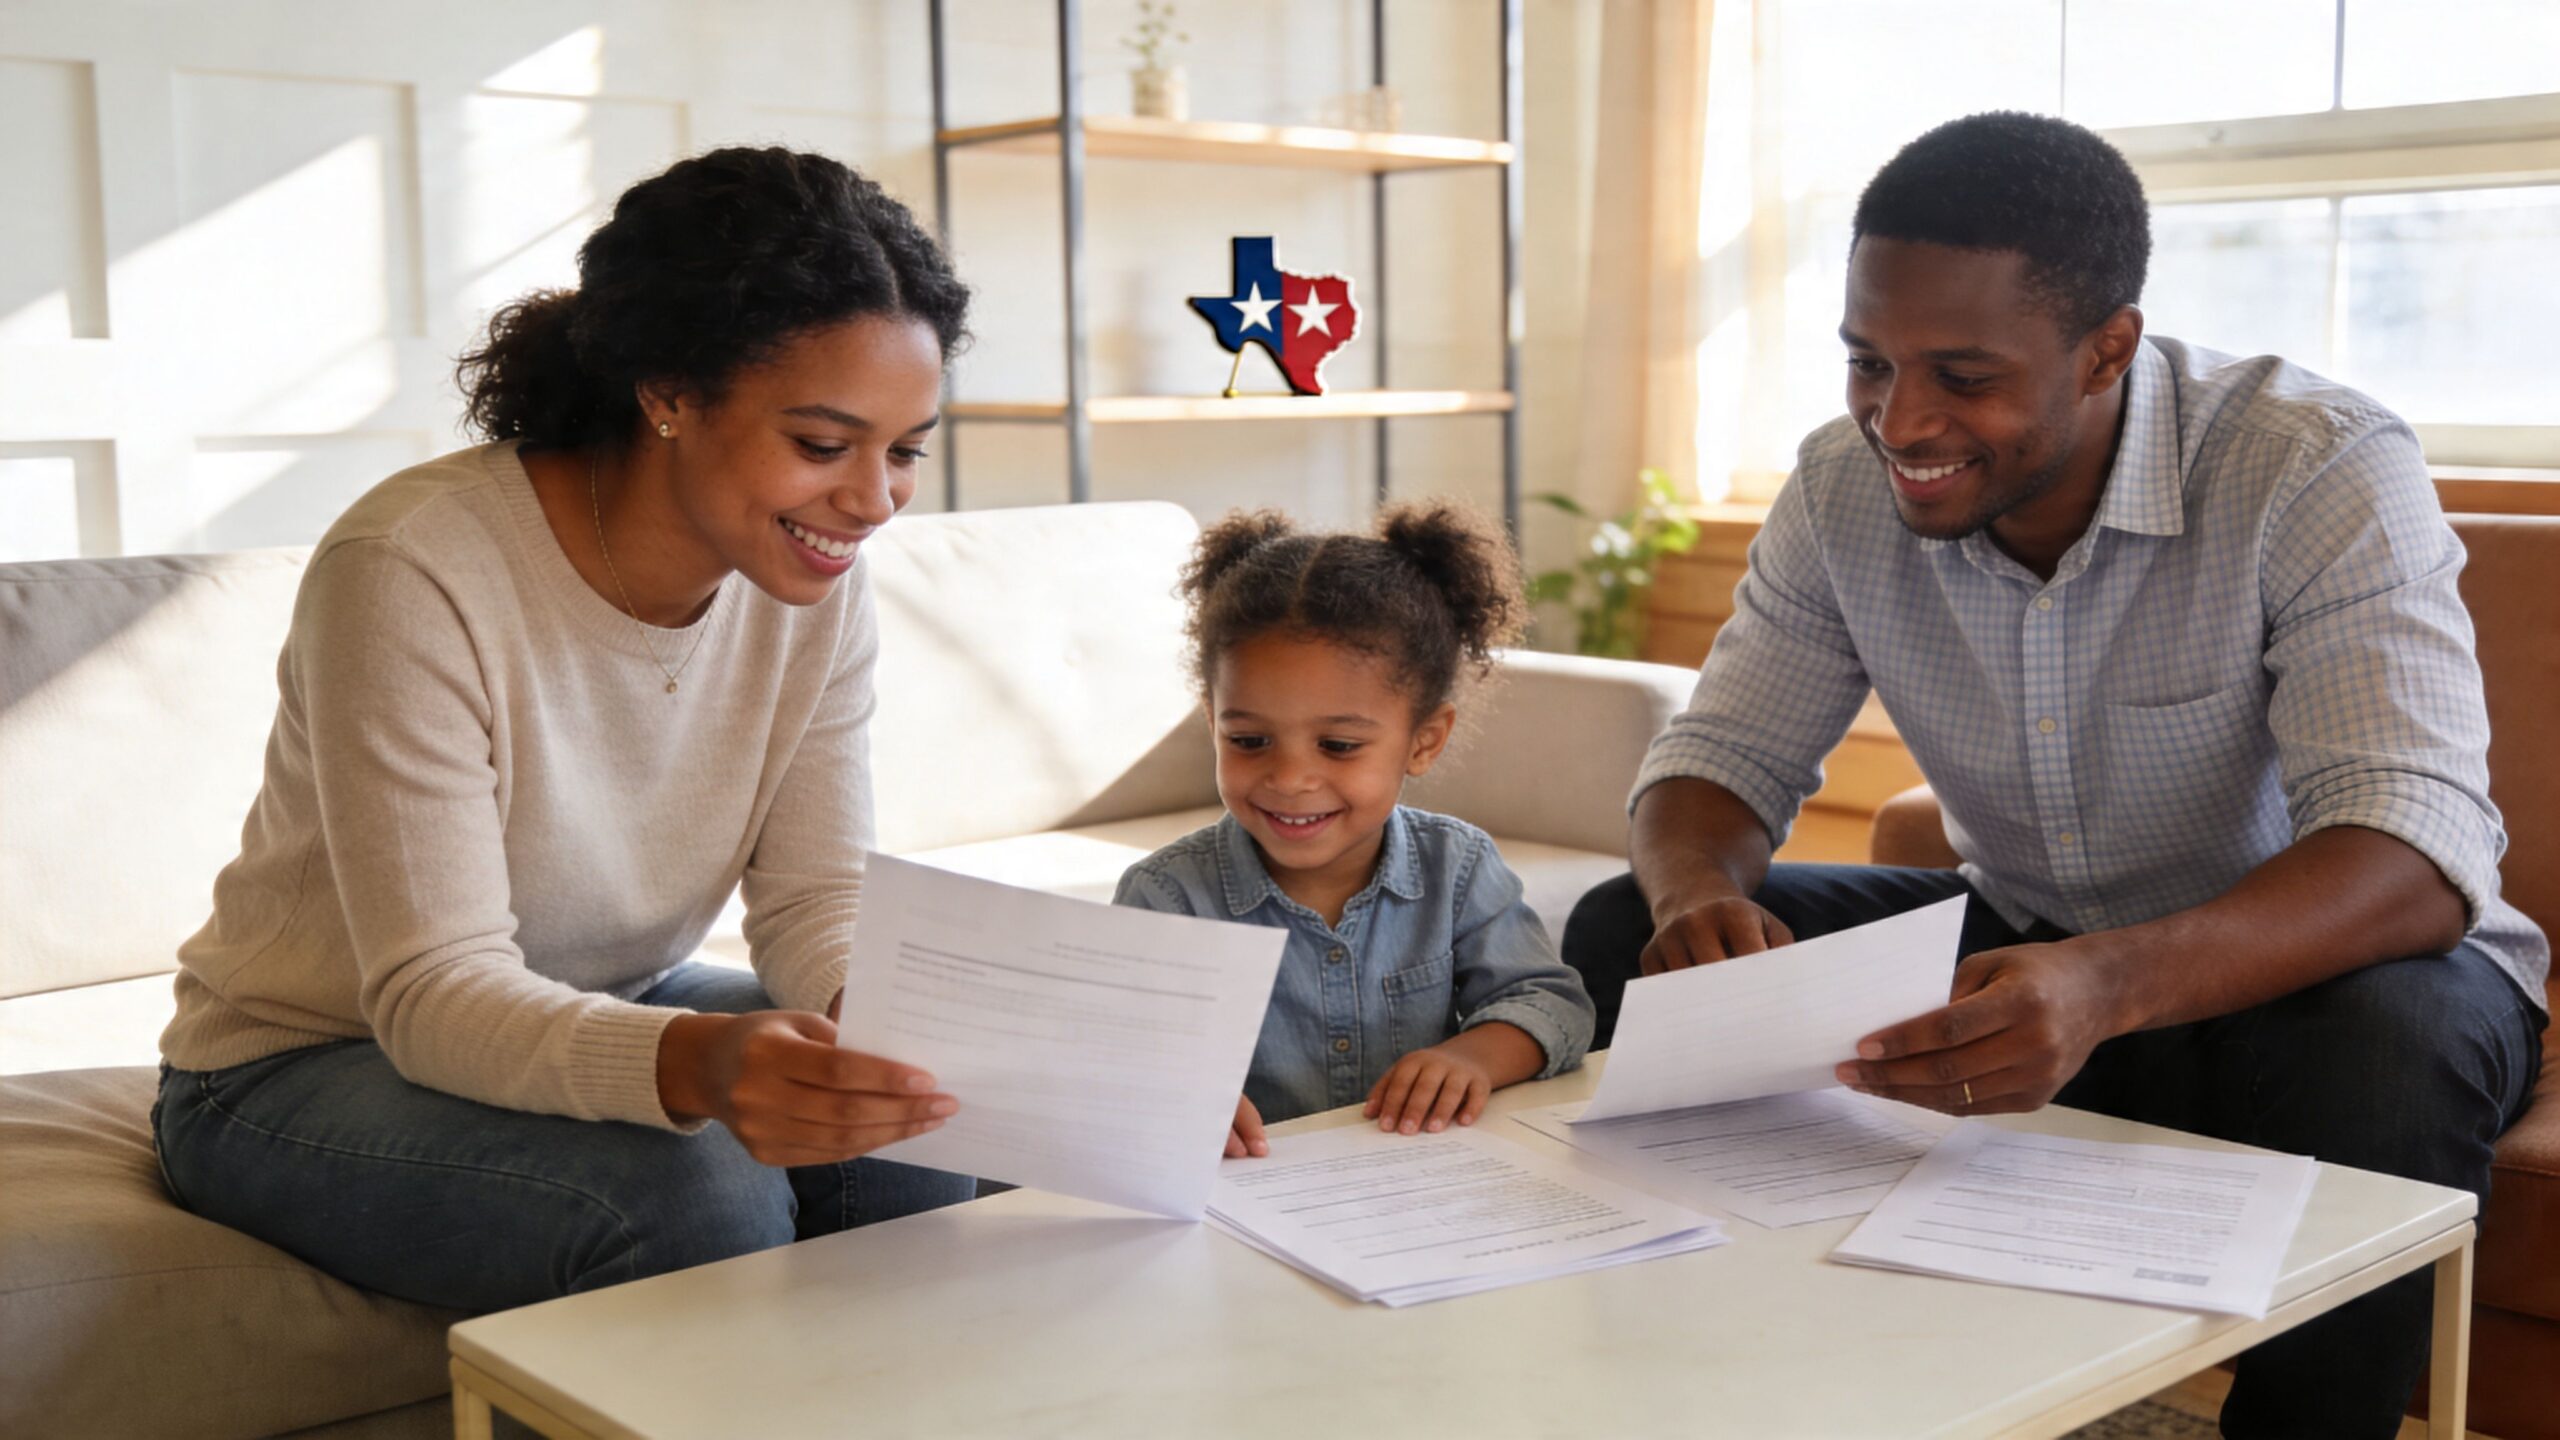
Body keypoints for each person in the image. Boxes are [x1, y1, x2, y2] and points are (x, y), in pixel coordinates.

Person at [1563, 112, 2545, 1438]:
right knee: (1628, 929)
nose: (1898, 419)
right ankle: (1756, 1383)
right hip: (2035, 956)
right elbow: (1716, 766)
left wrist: (2108, 981)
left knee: (2391, 1046)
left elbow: (2415, 852)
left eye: (1960, 376)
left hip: (2315, 983)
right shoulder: (1837, 489)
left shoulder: (2313, 465)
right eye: (1868, 361)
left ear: (2107, 350)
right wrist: (1696, 897)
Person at [152, 147, 982, 1313]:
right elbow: (435, 988)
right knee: (696, 1196)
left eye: (903, 452)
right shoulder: (412, 567)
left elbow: (815, 903)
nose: (872, 501)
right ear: (671, 393)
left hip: (615, 993)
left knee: (925, 1120)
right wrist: (695, 1061)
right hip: (306, 1062)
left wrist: (884, 1039)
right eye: (821, 444)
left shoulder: (811, 579)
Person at [1113, 504, 1596, 1157]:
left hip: (1417, 1184)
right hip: (1242, 1200)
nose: (1290, 778)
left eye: (1338, 746)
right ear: (1212, 722)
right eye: (1249, 740)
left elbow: (1551, 1004)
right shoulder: (1166, 896)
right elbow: (1118, 1051)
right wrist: (1171, 1093)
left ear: (1424, 742)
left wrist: (1474, 1058)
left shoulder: (1456, 867)